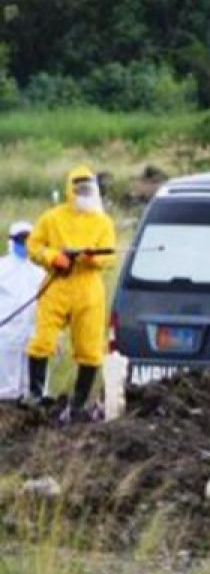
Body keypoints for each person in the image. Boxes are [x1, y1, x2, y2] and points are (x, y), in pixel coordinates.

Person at [25, 165, 116, 418]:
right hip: (56, 286)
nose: (84, 193)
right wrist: (53, 257)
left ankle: (78, 403)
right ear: (70, 190)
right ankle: (36, 395)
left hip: (88, 291)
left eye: (88, 189)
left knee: (89, 348)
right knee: (42, 341)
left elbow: (109, 256)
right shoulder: (52, 218)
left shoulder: (103, 222)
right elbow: (34, 245)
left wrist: (90, 258)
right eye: (79, 189)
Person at [0, 221, 46, 399]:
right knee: (6, 385)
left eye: (28, 239)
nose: (24, 243)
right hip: (6, 333)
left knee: (31, 386)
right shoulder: (2, 268)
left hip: (33, 333)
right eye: (20, 239)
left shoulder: (40, 271)